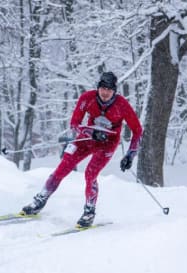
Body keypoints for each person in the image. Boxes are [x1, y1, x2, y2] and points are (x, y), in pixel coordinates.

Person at [19, 72, 143, 227]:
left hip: (108, 143)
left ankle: (89, 212)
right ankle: (39, 201)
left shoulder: (122, 105)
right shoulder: (87, 98)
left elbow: (137, 130)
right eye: (103, 88)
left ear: (114, 91)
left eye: (109, 90)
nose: (105, 93)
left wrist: (130, 154)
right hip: (86, 138)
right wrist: (91, 133)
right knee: (63, 167)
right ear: (98, 88)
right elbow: (74, 124)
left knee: (90, 173)